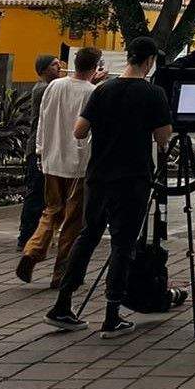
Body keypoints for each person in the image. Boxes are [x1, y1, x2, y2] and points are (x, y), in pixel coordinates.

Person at [46, 37, 171, 338]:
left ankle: (62, 304)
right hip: (133, 179)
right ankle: (112, 314)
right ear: (150, 61)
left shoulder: (103, 90)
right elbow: (163, 137)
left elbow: (79, 130)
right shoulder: (153, 93)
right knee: (122, 244)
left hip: (99, 175)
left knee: (88, 236)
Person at [16, 48, 102, 288]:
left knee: (51, 210)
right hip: (78, 163)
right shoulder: (93, 93)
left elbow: (42, 120)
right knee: (73, 220)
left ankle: (32, 251)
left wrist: (41, 151)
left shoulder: (54, 87)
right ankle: (61, 272)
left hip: (51, 158)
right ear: (95, 67)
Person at [18, 55, 62, 250]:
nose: (59, 66)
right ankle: (25, 237)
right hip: (37, 149)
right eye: (54, 64)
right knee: (35, 194)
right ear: (43, 69)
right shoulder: (43, 89)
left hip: (47, 147)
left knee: (47, 196)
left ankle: (40, 235)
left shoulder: (51, 87)